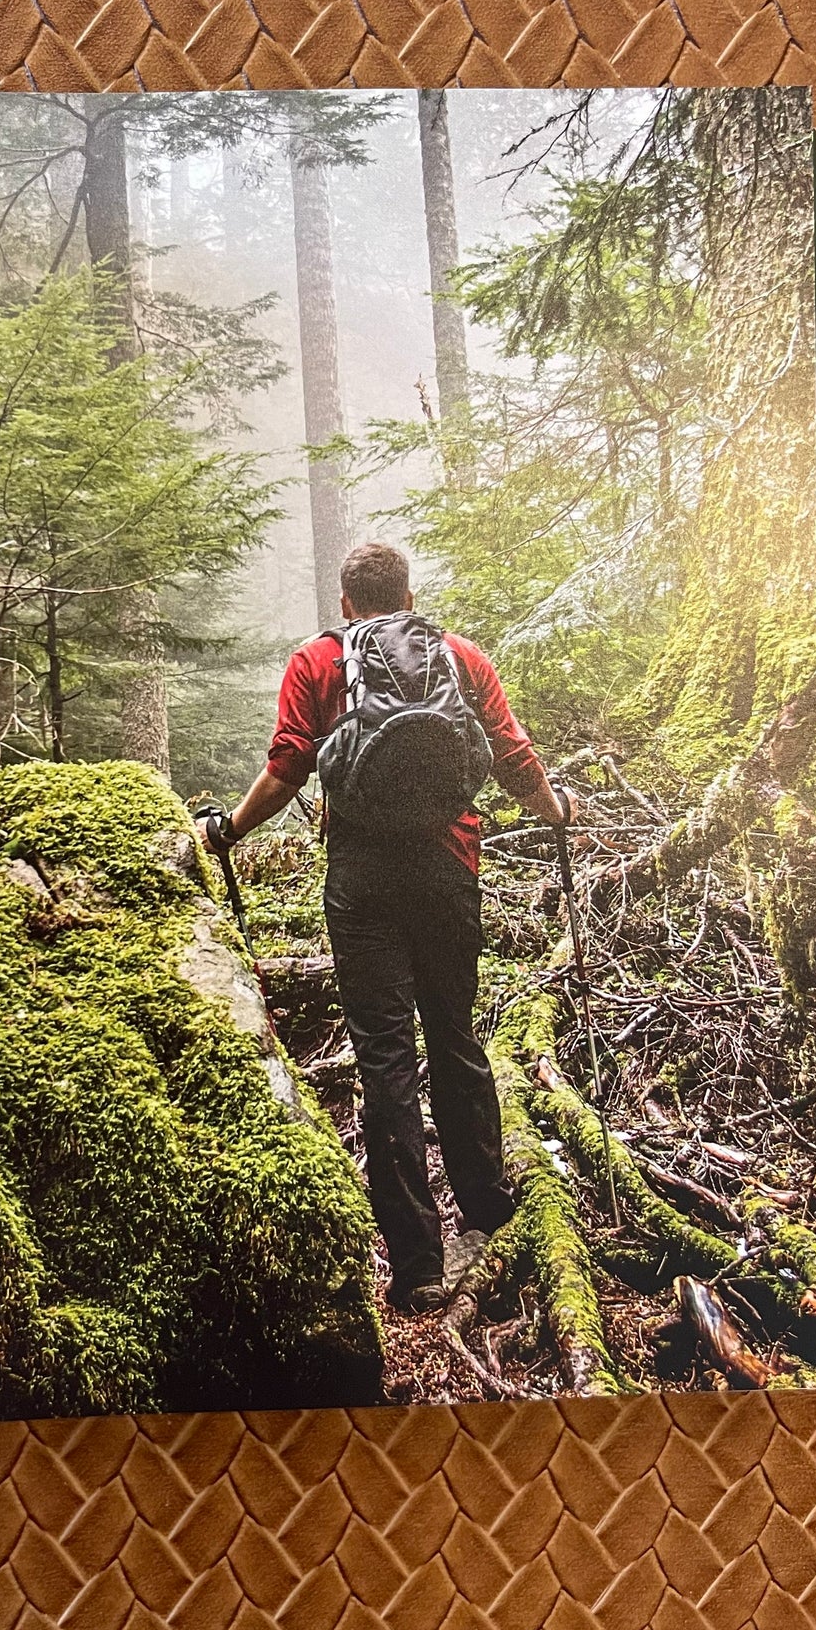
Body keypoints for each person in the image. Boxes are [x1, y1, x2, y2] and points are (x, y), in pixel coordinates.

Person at [196, 542, 574, 1316]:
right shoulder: (458, 656)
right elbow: (511, 754)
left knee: (385, 1058)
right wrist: (555, 810)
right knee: (455, 1037)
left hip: (361, 878)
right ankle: (489, 1211)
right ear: (408, 596)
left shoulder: (317, 661)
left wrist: (226, 831)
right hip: (447, 868)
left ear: (345, 603)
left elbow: (287, 766)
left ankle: (416, 1265)